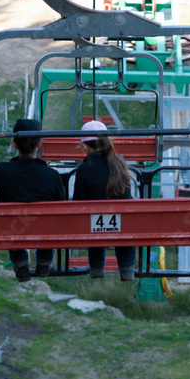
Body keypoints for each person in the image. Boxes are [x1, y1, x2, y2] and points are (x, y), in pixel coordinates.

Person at [0, 118, 66, 282]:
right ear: (39, 144)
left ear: (14, 144)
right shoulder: (51, 175)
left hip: (13, 229)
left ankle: (20, 263)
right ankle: (44, 262)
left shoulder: (1, 170)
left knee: (11, 225)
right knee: (48, 224)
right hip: (43, 229)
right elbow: (61, 202)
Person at [73, 120, 136, 281]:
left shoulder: (84, 169)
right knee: (123, 225)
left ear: (86, 146)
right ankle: (127, 267)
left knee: (93, 222)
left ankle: (96, 267)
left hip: (95, 223)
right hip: (123, 222)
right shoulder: (120, 163)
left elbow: (78, 202)